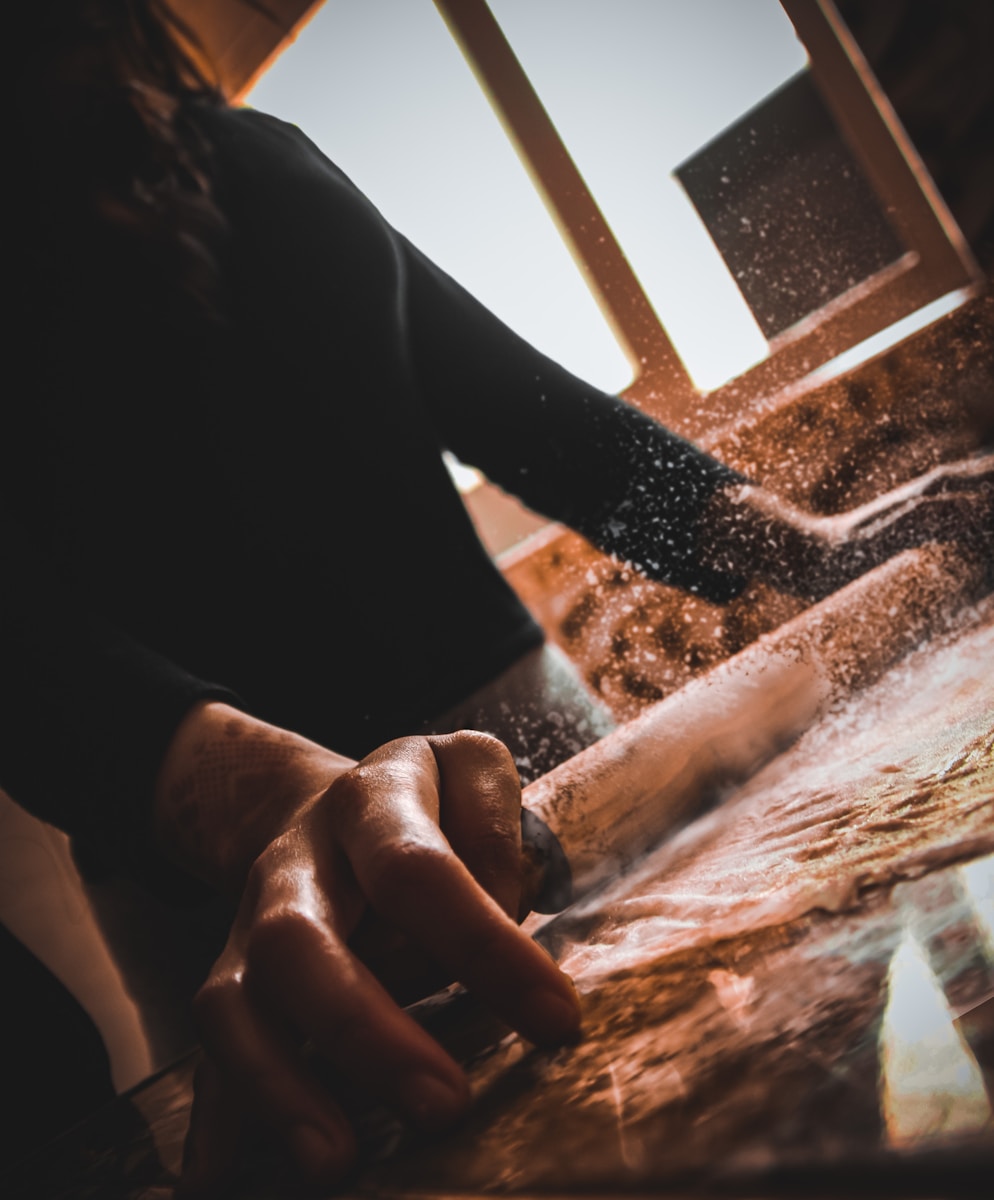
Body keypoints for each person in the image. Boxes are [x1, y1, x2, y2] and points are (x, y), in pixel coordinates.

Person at [4, 1, 991, 1193]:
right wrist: (265, 800)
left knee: (784, 1110)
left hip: (537, 748)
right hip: (250, 892)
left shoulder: (257, 156)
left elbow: (528, 413)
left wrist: (812, 544)